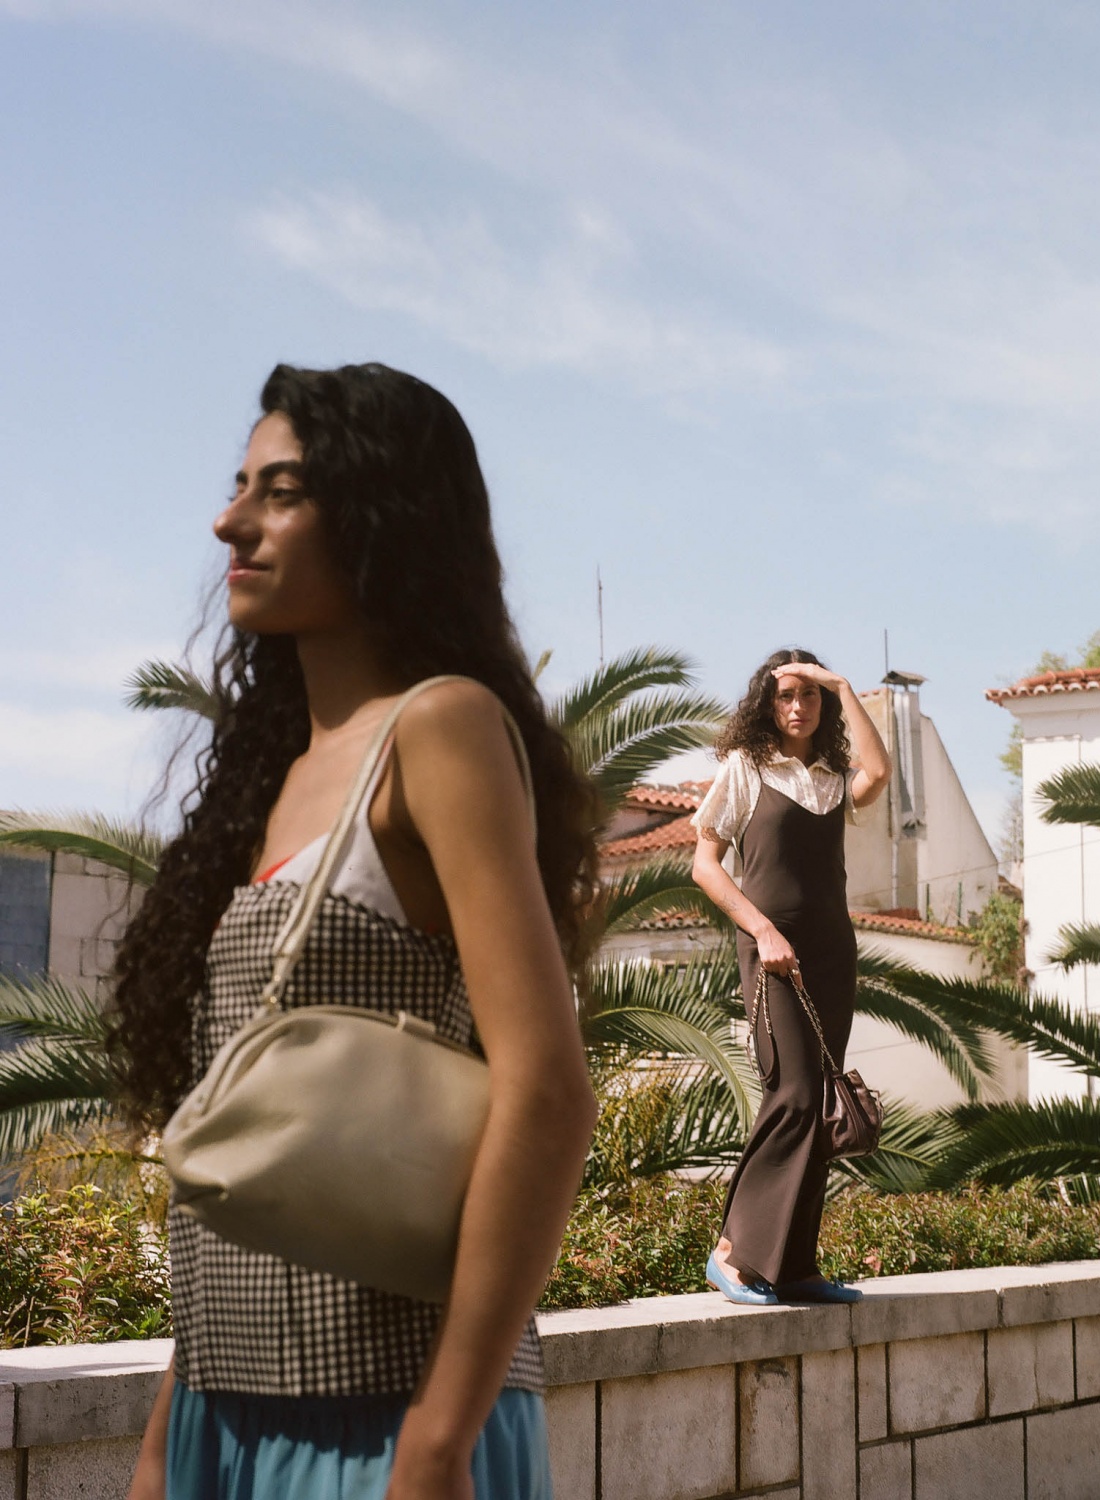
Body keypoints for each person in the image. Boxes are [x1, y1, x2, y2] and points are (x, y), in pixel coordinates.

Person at [119, 363, 600, 1500]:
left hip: (389, 1414)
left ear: (385, 517)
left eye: (281, 492)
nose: (231, 520)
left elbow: (547, 1091)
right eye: (241, 485)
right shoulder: (269, 779)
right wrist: (161, 1442)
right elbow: (257, 1161)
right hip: (218, 1413)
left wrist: (439, 1437)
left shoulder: (440, 727)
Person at [690, 649, 891, 1305]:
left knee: (823, 1101)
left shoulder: (832, 779)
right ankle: (732, 1254)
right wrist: (762, 930)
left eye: (810, 695)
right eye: (786, 695)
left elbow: (879, 771)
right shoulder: (745, 769)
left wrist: (844, 684)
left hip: (832, 953)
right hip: (772, 952)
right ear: (767, 704)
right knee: (795, 1094)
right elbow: (705, 865)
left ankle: (795, 1267)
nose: (798, 706)